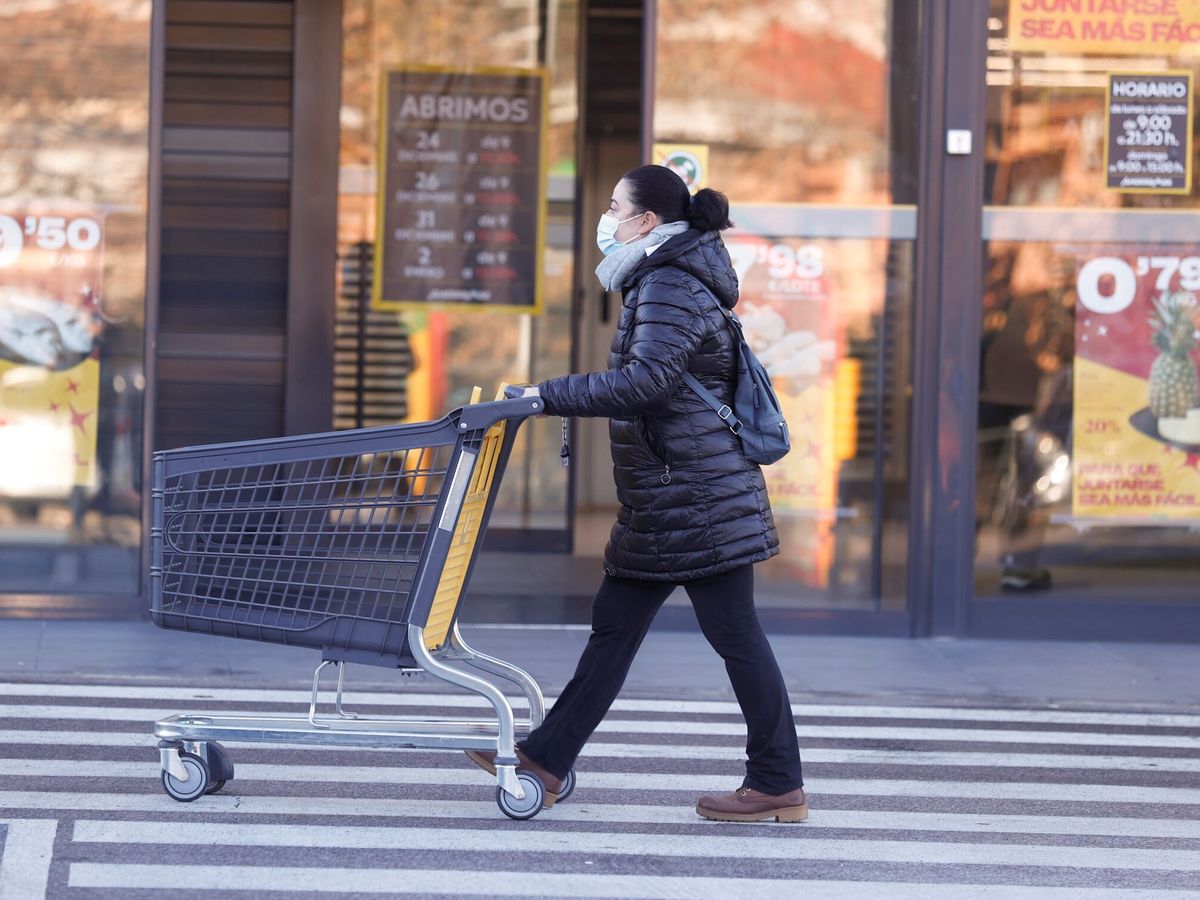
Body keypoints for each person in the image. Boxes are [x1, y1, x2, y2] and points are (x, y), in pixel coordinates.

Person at [466, 164, 807, 823]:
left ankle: (777, 780)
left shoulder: (668, 282)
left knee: (734, 635)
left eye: (616, 206)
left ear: (648, 220)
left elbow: (646, 383)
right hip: (673, 495)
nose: (608, 218)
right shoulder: (668, 274)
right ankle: (546, 759)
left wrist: (545, 395)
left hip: (696, 498)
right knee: (615, 629)